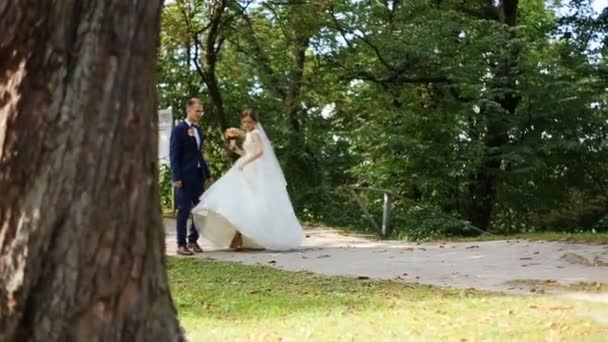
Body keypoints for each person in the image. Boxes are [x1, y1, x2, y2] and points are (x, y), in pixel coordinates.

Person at [192, 110, 304, 250]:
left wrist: (245, 163)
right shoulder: (249, 134)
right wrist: (236, 149)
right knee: (240, 200)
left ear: (255, 122)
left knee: (249, 201)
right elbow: (248, 153)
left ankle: (240, 236)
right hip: (246, 166)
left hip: (253, 169)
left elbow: (260, 152)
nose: (247, 124)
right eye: (244, 122)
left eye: (249, 122)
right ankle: (238, 235)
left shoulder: (256, 133)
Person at [169, 98, 213, 256]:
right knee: (184, 210)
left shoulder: (199, 130)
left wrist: (207, 173)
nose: (200, 114)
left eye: (201, 111)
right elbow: (174, 155)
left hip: (198, 176)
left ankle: (193, 240)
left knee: (202, 210)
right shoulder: (179, 129)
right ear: (188, 110)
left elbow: (198, 154)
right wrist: (176, 177)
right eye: (197, 111)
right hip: (184, 177)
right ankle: (181, 245)